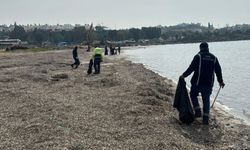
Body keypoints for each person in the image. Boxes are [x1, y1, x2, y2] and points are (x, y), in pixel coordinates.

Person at [180, 42, 225, 125]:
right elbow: (218, 70)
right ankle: (205, 120)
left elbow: (191, 68)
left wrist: (183, 75)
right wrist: (221, 81)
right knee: (206, 100)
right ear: (208, 48)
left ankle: (197, 111)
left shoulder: (198, 56)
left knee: (193, 95)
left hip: (197, 83)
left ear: (200, 48)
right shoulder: (214, 58)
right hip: (208, 84)